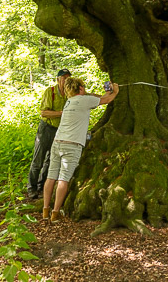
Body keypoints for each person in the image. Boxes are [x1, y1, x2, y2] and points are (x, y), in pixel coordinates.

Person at [43, 77, 119, 223]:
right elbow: (106, 100)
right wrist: (115, 92)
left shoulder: (68, 102)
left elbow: (101, 97)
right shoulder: (85, 100)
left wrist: (107, 92)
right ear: (81, 88)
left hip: (57, 142)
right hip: (72, 145)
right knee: (63, 179)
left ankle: (46, 210)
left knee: (51, 176)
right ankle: (55, 213)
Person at [27, 69, 71, 200]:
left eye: (68, 78)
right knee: (38, 159)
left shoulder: (70, 94)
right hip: (46, 128)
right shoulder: (50, 92)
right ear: (58, 80)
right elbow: (44, 113)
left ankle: (42, 186)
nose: (66, 80)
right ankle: (32, 188)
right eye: (63, 78)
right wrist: (61, 113)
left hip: (60, 130)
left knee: (51, 160)